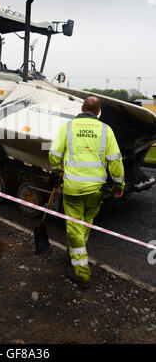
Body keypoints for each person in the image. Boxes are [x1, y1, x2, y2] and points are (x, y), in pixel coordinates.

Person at [49, 96, 125, 288]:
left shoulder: (68, 127)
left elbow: (53, 155)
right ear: (99, 112)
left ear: (82, 108)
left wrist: (57, 168)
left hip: (73, 189)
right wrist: (119, 186)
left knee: (74, 228)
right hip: (96, 190)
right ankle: (76, 252)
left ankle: (82, 274)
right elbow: (115, 161)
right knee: (85, 224)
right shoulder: (106, 131)